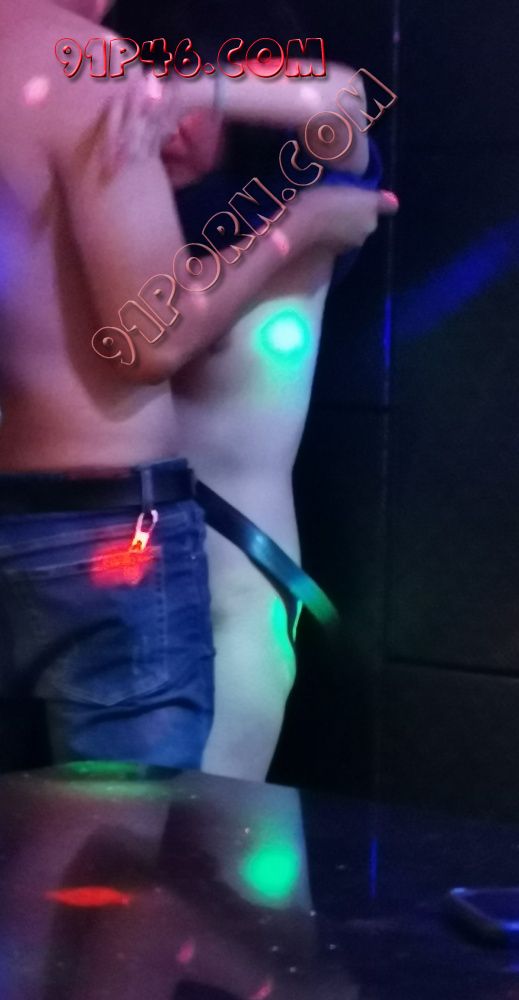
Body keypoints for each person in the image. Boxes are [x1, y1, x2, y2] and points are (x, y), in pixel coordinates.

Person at [0, 0, 397, 772]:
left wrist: (188, 88)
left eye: (175, 104)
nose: (160, 127)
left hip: (234, 596)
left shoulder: (290, 190)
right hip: (118, 579)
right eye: (131, 99)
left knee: (181, 843)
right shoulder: (119, 219)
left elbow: (347, 98)